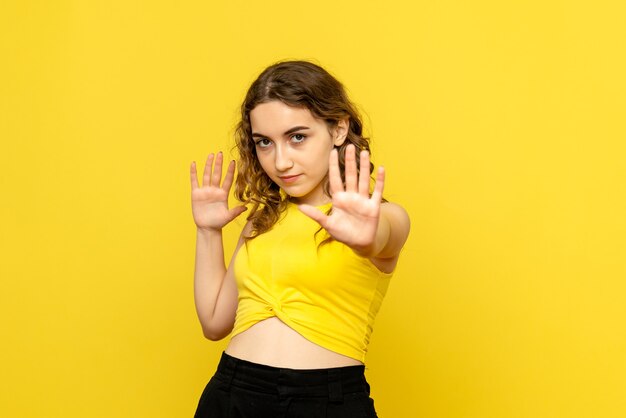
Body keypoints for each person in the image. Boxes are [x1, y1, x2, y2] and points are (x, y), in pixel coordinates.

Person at [190, 60, 410, 417]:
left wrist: (365, 239)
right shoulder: (262, 222)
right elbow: (214, 323)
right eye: (264, 142)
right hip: (231, 393)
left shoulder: (383, 217)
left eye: (297, 137)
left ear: (338, 129)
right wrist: (207, 230)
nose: (280, 162)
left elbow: (380, 238)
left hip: (324, 401)